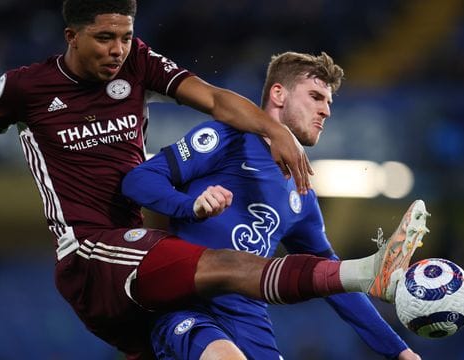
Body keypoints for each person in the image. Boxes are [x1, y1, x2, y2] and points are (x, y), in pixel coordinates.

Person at [0, 1, 428, 358]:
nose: (118, 50)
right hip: (91, 252)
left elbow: (217, 97)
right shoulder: (25, 87)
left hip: (161, 273)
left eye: (126, 37)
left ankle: (366, 274)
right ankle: (369, 270)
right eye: (105, 38)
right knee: (233, 265)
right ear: (71, 36)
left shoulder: (139, 65)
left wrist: (400, 351)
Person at [122, 51, 425, 359]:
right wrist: (190, 205)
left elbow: (331, 282)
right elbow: (137, 181)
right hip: (188, 304)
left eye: (329, 103)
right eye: (316, 97)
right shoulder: (227, 139)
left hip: (249, 321)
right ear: (278, 94)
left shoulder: (303, 194)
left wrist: (399, 351)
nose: (326, 111)